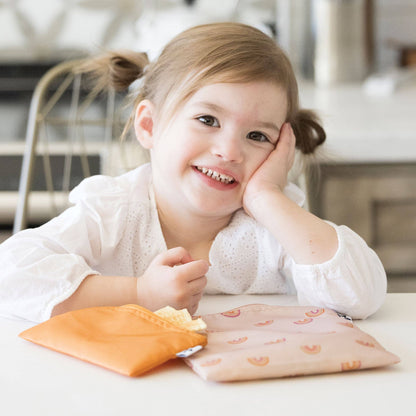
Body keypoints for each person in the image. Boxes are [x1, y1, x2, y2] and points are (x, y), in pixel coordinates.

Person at [0, 23, 386, 323]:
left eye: (257, 136)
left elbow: (361, 297)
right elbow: (10, 274)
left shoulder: (271, 225)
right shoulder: (115, 211)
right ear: (149, 125)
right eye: (207, 119)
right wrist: (139, 294)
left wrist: (267, 198)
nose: (229, 152)